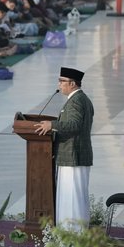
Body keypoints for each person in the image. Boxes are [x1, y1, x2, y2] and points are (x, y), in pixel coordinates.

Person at [35, 67, 94, 231]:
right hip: (74, 155)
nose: (59, 84)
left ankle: (73, 233)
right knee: (75, 196)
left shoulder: (76, 101)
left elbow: (74, 125)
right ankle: (76, 231)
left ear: (72, 83)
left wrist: (51, 125)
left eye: (62, 81)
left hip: (73, 156)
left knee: (72, 197)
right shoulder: (81, 99)